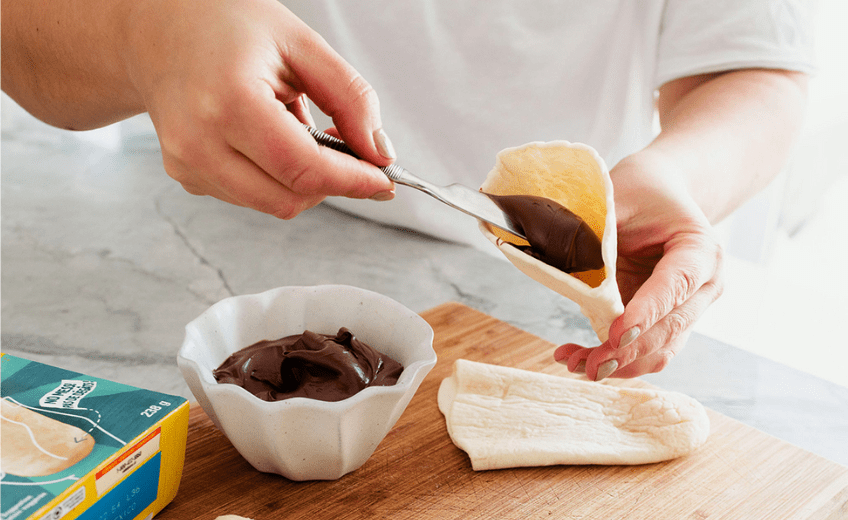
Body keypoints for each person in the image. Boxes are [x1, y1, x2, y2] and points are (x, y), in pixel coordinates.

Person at [1, 0, 814, 381]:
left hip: (539, 299)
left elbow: (753, 65)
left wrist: (674, 177)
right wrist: (149, 34)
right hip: (179, 243)